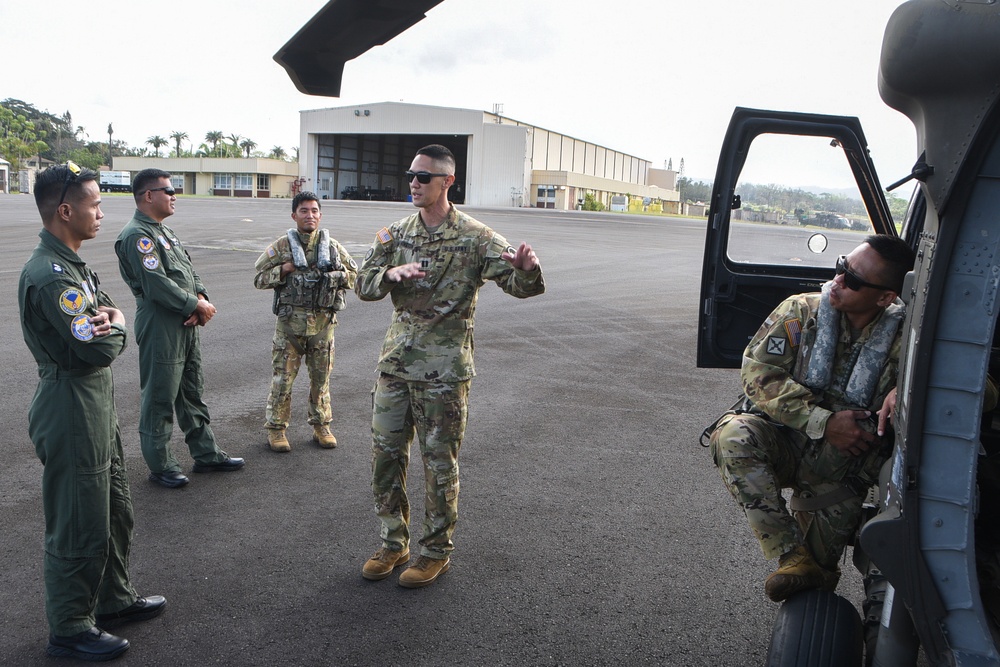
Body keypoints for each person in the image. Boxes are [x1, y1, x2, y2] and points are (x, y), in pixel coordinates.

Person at [356, 144, 545, 588]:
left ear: (447, 181)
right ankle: (392, 542)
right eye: (411, 176)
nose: (414, 183)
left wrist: (528, 270)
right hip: (396, 367)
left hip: (444, 375)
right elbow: (363, 284)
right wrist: (389, 275)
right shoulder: (395, 234)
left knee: (439, 465)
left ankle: (435, 551)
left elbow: (519, 286)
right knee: (385, 459)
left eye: (423, 177)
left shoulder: (477, 237)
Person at [708, 234, 915, 602]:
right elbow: (758, 374)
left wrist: (913, 388)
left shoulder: (909, 338)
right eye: (841, 267)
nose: (837, 281)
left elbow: (983, 387)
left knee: (815, 582)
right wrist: (821, 421)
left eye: (852, 280)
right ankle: (791, 553)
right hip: (783, 443)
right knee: (733, 435)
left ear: (886, 297)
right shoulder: (801, 312)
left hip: (841, 473)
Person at [19, 163, 165, 661]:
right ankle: (69, 626)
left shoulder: (75, 264)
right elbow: (98, 347)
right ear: (65, 210)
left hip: (94, 404)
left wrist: (113, 318)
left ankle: (112, 598)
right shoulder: (51, 274)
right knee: (79, 520)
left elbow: (103, 314)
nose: (101, 212)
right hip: (70, 405)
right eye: (94, 204)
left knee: (115, 508)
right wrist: (121, 320)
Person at [115, 168, 244, 488]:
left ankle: (206, 453)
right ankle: (160, 464)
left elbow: (188, 270)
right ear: (148, 196)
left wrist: (200, 297)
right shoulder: (137, 236)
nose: (174, 196)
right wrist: (195, 306)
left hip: (185, 323)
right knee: (160, 396)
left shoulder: (164, 232)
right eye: (168, 191)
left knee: (191, 392)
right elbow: (156, 285)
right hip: (162, 324)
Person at [253, 191, 358, 451]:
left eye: (313, 211)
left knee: (321, 380)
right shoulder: (281, 247)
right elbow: (259, 278)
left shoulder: (332, 247)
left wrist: (338, 274)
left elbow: (356, 278)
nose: (309, 215)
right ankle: (276, 429)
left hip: (323, 327)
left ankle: (321, 426)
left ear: (320, 216)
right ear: (294, 215)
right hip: (290, 327)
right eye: (303, 210)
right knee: (282, 380)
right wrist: (283, 270)